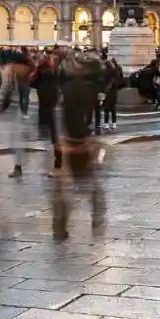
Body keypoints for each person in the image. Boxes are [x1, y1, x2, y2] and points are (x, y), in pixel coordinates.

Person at [52, 51, 107, 240]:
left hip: (68, 141)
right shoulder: (86, 90)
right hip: (78, 142)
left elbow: (60, 114)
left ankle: (60, 224)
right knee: (87, 183)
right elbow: (80, 118)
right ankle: (96, 218)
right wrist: (83, 140)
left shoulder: (68, 88)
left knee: (73, 185)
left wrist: (60, 141)